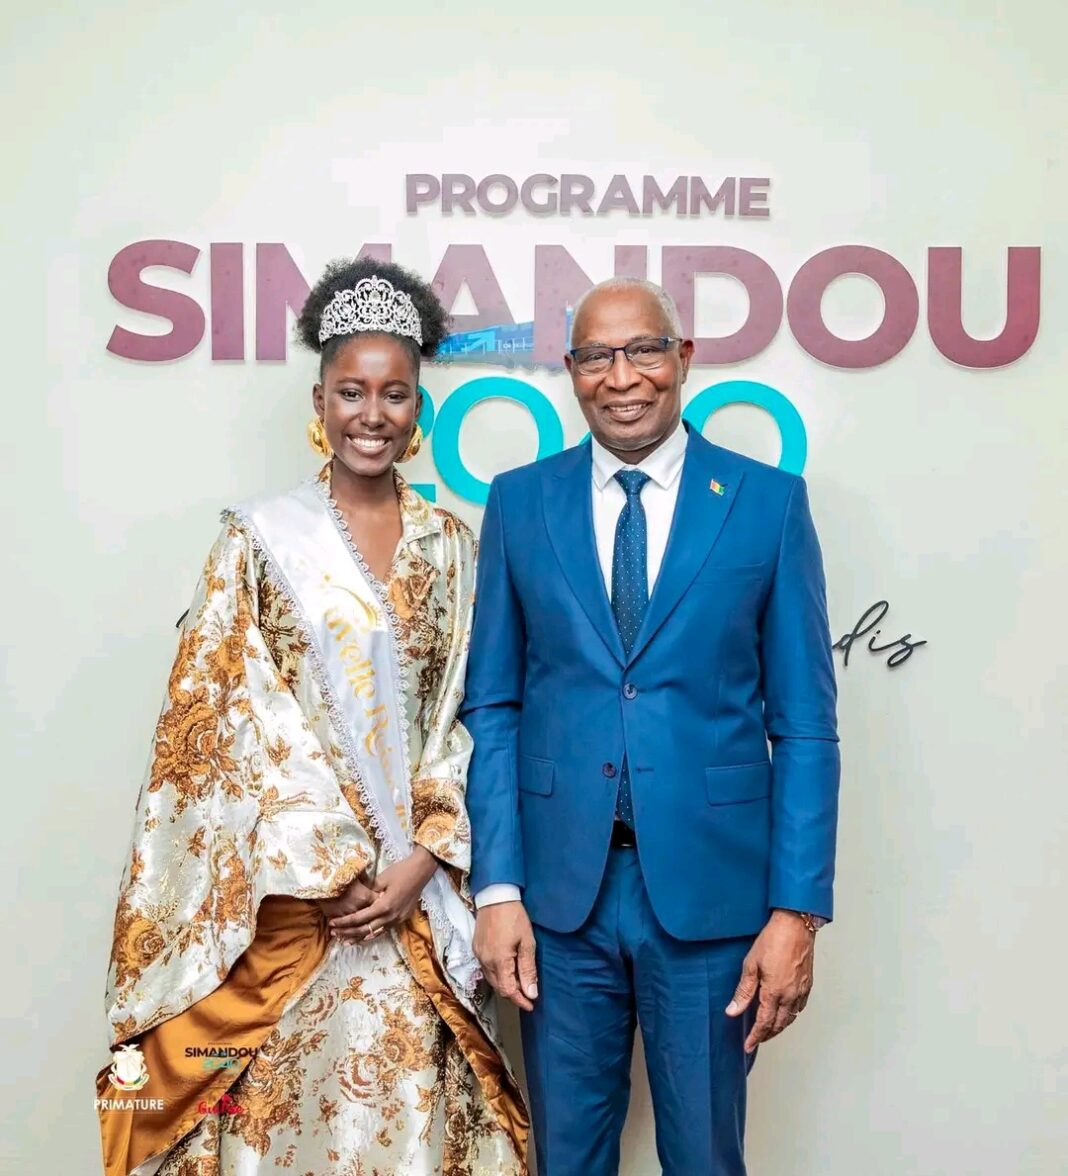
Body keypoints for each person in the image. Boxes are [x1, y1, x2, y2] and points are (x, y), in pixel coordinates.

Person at [96, 259, 528, 1175]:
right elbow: (223, 719)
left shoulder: (454, 547)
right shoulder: (255, 541)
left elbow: (473, 710)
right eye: (351, 392)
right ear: (320, 401)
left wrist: (425, 855)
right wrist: (325, 866)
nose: (373, 414)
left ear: (418, 410)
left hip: (417, 902)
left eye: (394, 394)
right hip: (296, 907)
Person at [462, 277, 840, 1175]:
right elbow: (494, 706)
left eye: (643, 350)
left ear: (684, 359)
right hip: (559, 902)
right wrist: (497, 888)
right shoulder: (519, 503)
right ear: (571, 371)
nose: (621, 376)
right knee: (565, 1158)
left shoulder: (767, 503)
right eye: (597, 356)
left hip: (711, 900)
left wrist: (797, 912)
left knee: (705, 1156)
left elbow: (806, 728)